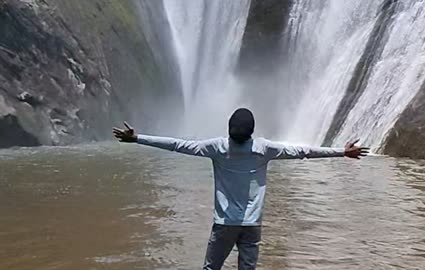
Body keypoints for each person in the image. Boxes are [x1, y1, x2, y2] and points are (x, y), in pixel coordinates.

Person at [113, 108, 369, 270]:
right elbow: (304, 151)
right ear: (252, 132)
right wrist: (341, 152)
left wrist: (137, 138)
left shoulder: (217, 148)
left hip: (224, 223)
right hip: (252, 224)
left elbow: (178, 145)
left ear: (229, 129)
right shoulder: (264, 148)